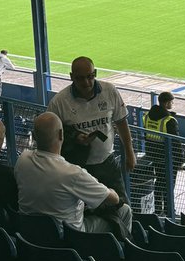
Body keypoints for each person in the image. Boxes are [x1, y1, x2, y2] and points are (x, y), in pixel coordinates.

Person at [14, 112, 131, 238]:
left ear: (35, 136)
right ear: (61, 134)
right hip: (69, 237)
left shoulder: (22, 160)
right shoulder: (72, 173)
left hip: (32, 235)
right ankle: (122, 255)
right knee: (125, 211)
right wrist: (111, 191)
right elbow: (114, 199)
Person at [47, 56, 136, 203]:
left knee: (122, 207)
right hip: (77, 169)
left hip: (107, 162)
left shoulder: (109, 91)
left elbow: (121, 122)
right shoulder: (59, 102)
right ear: (71, 77)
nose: (86, 82)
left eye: (90, 76)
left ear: (95, 73)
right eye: (80, 78)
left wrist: (129, 152)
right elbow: (49, 133)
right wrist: (75, 137)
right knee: (83, 212)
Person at [143, 91, 180, 217]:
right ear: (166, 103)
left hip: (153, 155)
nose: (172, 104)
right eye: (171, 102)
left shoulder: (147, 116)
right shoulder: (169, 120)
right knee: (169, 184)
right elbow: (176, 143)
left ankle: (158, 209)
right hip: (168, 157)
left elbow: (145, 135)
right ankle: (170, 210)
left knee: (159, 181)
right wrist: (179, 160)